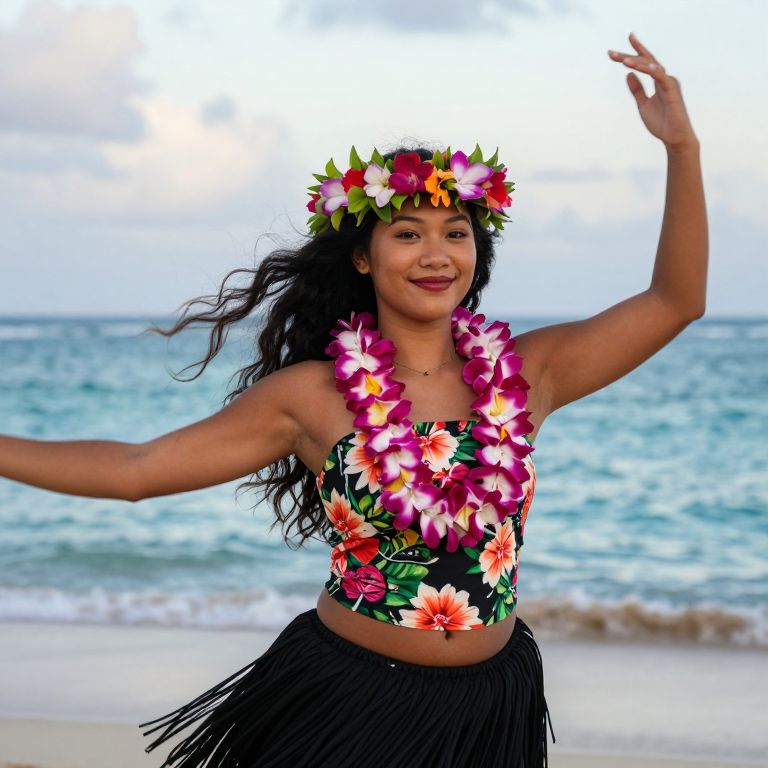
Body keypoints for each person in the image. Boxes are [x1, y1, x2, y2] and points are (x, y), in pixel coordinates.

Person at [0, 32, 706, 768]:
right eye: (408, 233)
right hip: (347, 704)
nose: (436, 254)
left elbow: (676, 301)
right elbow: (137, 470)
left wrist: (680, 149)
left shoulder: (531, 372)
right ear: (364, 256)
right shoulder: (313, 397)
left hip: (492, 710)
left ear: (477, 252)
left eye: (454, 233)